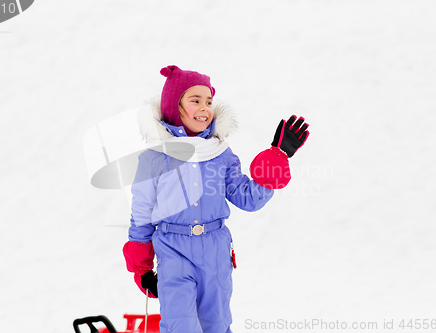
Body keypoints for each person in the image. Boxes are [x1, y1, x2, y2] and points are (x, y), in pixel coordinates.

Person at [122, 65, 309, 333]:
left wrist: (277, 157)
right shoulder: (154, 158)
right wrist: (141, 265)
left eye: (208, 101)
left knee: (216, 325)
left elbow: (247, 198)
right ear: (175, 107)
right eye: (195, 100)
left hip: (215, 251)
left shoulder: (220, 154)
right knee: (180, 326)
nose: (204, 108)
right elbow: (141, 212)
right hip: (173, 252)